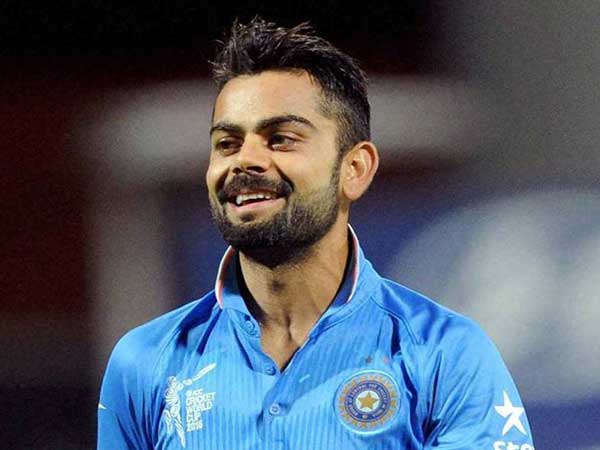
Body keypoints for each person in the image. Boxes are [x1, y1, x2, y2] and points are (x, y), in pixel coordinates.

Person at [97, 18, 535, 450]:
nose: (245, 160)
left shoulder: (445, 354)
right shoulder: (145, 362)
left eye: (281, 138)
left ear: (355, 168)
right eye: (227, 143)